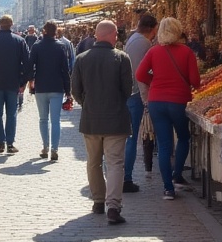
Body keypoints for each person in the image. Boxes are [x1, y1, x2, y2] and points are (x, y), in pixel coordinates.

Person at [70, 19, 134, 225]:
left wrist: (87, 104)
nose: (117, 37)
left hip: (91, 120)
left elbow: (75, 90)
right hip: (116, 119)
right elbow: (127, 89)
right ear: (110, 35)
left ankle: (98, 201)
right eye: (116, 34)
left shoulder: (82, 59)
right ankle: (113, 206)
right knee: (115, 163)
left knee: (94, 162)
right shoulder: (121, 58)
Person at [135, 16, 201, 200]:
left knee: (164, 145)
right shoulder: (186, 52)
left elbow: (140, 74)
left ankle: (168, 189)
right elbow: (195, 81)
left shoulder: (154, 51)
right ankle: (177, 174)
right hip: (178, 101)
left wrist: (155, 82)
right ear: (178, 31)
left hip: (156, 102)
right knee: (183, 137)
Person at [121, 13, 157, 193]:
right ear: (153, 28)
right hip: (136, 95)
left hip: (129, 93)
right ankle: (126, 178)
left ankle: (122, 176)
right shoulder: (144, 43)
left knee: (129, 137)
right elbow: (142, 73)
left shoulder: (133, 39)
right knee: (132, 138)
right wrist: (146, 98)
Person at [0, 14, 30, 155]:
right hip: (13, 83)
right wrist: (23, 82)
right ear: (12, 24)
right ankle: (10, 143)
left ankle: (0, 143)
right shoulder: (20, 41)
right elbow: (27, 63)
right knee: (11, 113)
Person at [28, 20, 72, 162]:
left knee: (43, 119)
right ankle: (54, 149)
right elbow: (65, 70)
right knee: (55, 120)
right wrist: (68, 91)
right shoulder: (61, 47)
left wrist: (31, 81)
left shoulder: (37, 46)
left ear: (44, 31)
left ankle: (45, 147)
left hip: (41, 87)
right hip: (57, 87)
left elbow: (30, 65)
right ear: (56, 32)